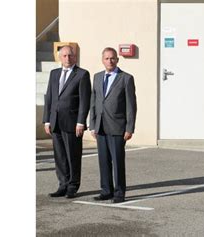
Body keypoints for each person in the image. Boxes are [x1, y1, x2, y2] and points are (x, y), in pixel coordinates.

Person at [43, 45, 91, 199]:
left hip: (72, 123)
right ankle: (62, 184)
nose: (67, 58)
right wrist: (46, 120)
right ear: (60, 57)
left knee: (73, 155)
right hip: (55, 121)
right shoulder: (54, 73)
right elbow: (49, 97)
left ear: (75, 57)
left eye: (70, 56)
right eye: (64, 56)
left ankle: (73, 185)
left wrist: (81, 122)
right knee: (60, 156)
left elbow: (85, 100)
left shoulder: (82, 74)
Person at [90, 47, 137, 204]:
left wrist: (129, 128)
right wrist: (92, 125)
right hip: (101, 127)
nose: (110, 61)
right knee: (103, 160)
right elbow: (94, 103)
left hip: (118, 127)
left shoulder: (126, 78)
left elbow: (131, 105)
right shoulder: (97, 77)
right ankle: (106, 190)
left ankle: (119, 192)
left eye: (112, 58)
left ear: (117, 60)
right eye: (106, 58)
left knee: (117, 162)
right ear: (102, 60)